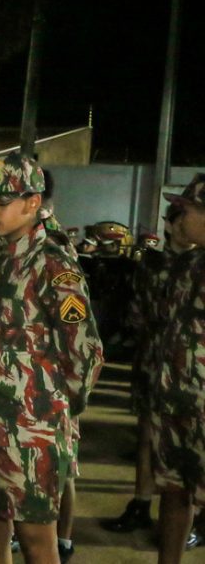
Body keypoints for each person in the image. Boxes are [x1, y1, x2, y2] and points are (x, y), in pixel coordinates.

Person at [0, 154, 104, 564]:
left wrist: (53, 411)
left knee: (39, 541)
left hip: (32, 432)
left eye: (0, 203)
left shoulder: (54, 265)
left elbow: (86, 350)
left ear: (33, 202)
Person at [103, 203, 196, 538]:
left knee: (188, 450)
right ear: (170, 226)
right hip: (153, 364)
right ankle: (141, 503)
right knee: (147, 435)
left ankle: (190, 518)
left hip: (188, 372)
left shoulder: (196, 265)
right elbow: (137, 313)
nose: (186, 226)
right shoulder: (153, 263)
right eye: (180, 219)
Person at [151, 174, 205, 564]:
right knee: (173, 491)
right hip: (175, 406)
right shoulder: (186, 266)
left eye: (186, 211)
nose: (178, 218)